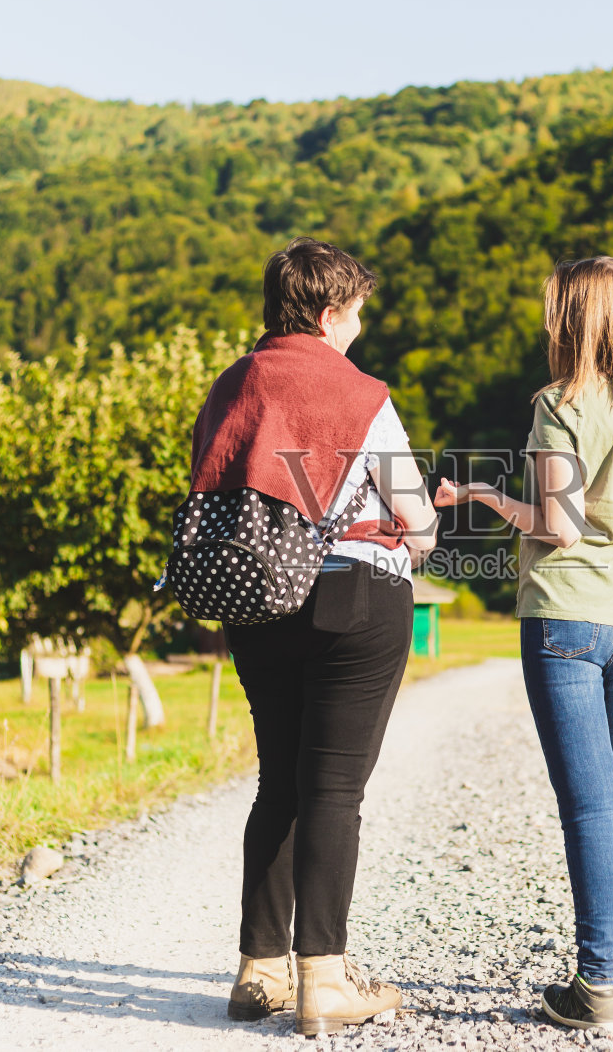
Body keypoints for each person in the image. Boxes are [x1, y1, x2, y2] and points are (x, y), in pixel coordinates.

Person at [187, 237, 438, 1036]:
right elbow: (416, 517)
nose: (360, 326)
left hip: (255, 599)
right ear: (330, 313)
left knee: (278, 781)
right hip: (353, 599)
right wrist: (421, 533)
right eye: (356, 312)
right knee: (333, 788)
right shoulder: (356, 392)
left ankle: (257, 970)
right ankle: (323, 981)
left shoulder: (231, 385)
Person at [434, 256, 613, 1034]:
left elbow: (559, 523)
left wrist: (487, 497)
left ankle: (595, 985)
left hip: (566, 619)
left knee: (586, 809)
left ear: (573, 323)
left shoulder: (558, 405)